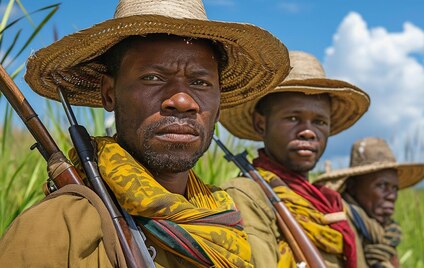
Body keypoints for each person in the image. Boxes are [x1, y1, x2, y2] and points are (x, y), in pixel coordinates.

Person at [0, 0, 290, 267]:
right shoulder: (58, 229)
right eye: (153, 78)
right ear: (109, 93)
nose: (183, 102)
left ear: (218, 104)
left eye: (200, 82)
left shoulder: (226, 216)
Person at [220, 51, 370, 268]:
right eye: (293, 118)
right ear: (261, 124)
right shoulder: (246, 195)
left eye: (319, 122)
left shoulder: (333, 206)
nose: (308, 132)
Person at [315, 137, 424, 267]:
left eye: (395, 188)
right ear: (352, 186)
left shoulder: (386, 234)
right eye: (382, 185)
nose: (392, 196)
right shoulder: (337, 223)